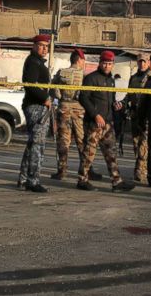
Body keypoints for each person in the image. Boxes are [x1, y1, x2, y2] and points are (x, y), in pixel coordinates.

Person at [77, 50, 134, 192]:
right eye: (105, 63)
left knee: (111, 153)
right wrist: (95, 114)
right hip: (94, 123)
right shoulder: (91, 78)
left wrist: (116, 106)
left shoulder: (111, 80)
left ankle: (117, 182)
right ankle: (82, 180)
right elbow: (83, 98)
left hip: (108, 123)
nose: (107, 66)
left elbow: (111, 99)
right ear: (100, 63)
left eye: (110, 64)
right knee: (89, 153)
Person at [51, 49, 98, 181]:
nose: (84, 63)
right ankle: (86, 170)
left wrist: (60, 98)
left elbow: (53, 90)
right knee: (82, 141)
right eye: (83, 60)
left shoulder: (61, 73)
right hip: (79, 110)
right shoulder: (84, 76)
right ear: (79, 60)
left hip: (63, 108)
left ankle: (62, 171)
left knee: (63, 141)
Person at [18, 34, 52, 193]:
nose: (44, 48)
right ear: (34, 46)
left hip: (38, 106)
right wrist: (45, 98)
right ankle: (33, 180)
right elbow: (30, 84)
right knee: (38, 145)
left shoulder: (38, 62)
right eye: (41, 45)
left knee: (33, 144)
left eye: (46, 46)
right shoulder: (33, 62)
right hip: (36, 107)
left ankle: (24, 179)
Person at [126, 53, 151, 183]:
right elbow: (129, 94)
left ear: (149, 62)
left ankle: (140, 171)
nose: (142, 64)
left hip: (147, 115)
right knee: (135, 143)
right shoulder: (133, 78)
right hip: (135, 114)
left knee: (144, 144)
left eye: (144, 62)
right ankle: (141, 168)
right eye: (140, 62)